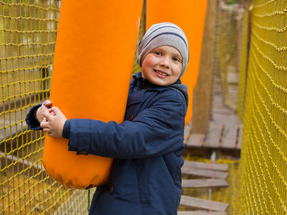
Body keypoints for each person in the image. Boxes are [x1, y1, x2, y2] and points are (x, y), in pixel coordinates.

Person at [25, 22, 189, 215]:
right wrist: (41, 113)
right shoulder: (129, 87)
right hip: (114, 197)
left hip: (147, 205)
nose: (165, 63)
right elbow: (89, 110)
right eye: (158, 53)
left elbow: (130, 138)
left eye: (175, 59)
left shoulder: (172, 103)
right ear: (142, 54)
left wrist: (68, 129)